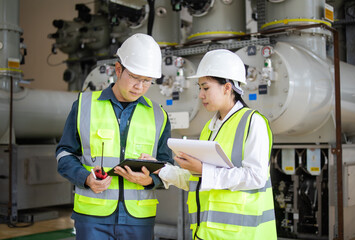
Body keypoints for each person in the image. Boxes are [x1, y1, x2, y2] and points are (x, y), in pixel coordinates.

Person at [56, 33, 173, 240]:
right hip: (92, 218)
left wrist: (150, 180)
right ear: (118, 70)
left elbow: (167, 167)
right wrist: (85, 178)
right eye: (135, 78)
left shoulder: (159, 115)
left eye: (147, 81)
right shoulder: (84, 106)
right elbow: (64, 154)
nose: (140, 87)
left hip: (138, 220)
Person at [151, 49, 277, 239]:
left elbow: (256, 176)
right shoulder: (210, 128)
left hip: (242, 235)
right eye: (199, 88)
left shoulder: (253, 122)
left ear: (227, 88)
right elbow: (200, 178)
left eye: (206, 88)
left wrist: (203, 170)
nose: (200, 95)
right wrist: (160, 169)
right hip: (206, 234)